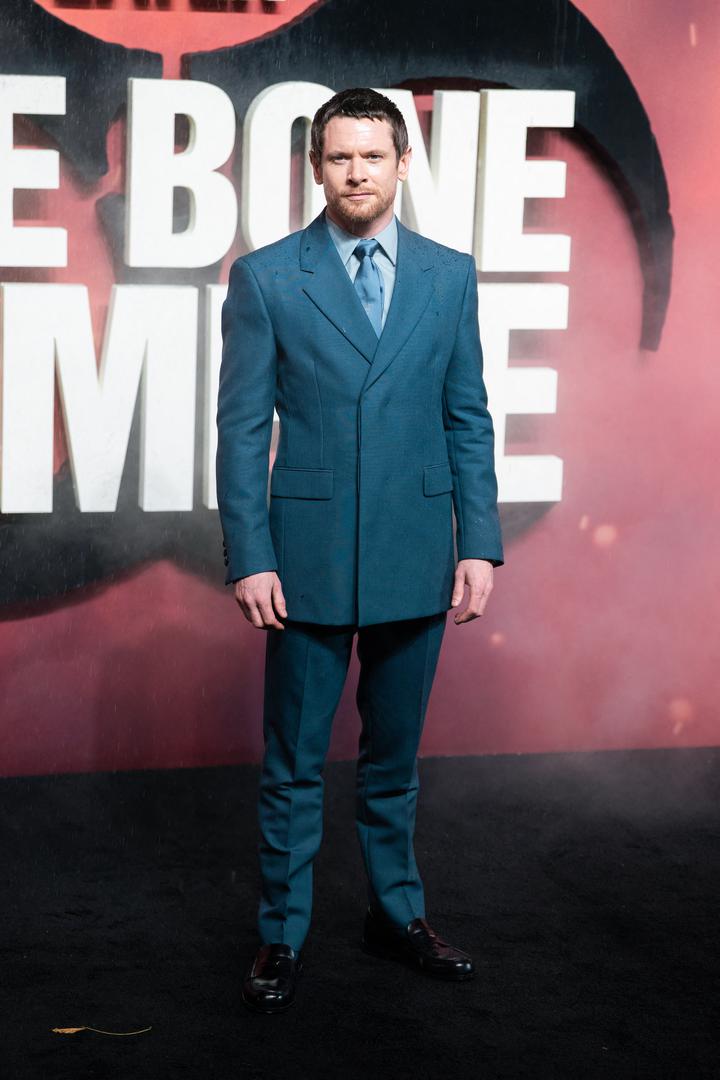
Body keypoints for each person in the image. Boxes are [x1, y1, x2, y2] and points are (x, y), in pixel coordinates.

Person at [216, 87, 504, 1014]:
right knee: (294, 763)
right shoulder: (267, 278)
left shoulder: (450, 276)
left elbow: (468, 417)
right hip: (302, 559)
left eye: (372, 156)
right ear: (315, 167)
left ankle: (397, 914)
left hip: (417, 550)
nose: (356, 172)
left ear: (403, 163)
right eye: (339, 157)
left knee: (394, 763)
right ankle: (281, 933)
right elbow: (239, 431)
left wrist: (480, 543)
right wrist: (249, 554)